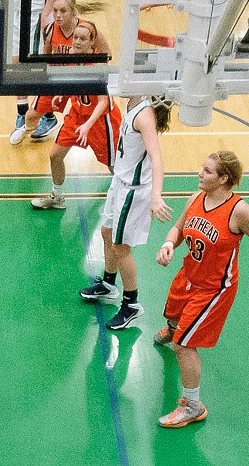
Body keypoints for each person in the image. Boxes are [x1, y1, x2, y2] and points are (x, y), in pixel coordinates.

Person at [153, 150, 249, 428]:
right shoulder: (195, 198)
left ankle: (192, 406)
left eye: (207, 171)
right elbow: (179, 229)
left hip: (213, 289)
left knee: (183, 346)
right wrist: (168, 244)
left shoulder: (239, 211)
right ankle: (174, 326)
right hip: (188, 274)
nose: (200, 174)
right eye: (202, 169)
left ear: (224, 178)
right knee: (173, 312)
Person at [78, 95, 174, 330]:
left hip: (134, 191)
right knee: (106, 232)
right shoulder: (131, 104)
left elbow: (157, 157)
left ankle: (131, 304)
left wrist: (156, 195)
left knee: (121, 248)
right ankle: (109, 285)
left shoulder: (144, 115)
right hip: (119, 183)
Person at [30, 22, 121, 210]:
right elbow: (72, 81)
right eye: (75, 38)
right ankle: (57, 197)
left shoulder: (98, 64)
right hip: (76, 115)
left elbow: (103, 101)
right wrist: (62, 94)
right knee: (55, 156)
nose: (77, 42)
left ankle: (126, 196)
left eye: (82, 39)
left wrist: (88, 125)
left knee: (113, 167)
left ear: (91, 42)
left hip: (101, 121)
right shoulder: (70, 58)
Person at [10, 0, 110, 144]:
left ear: (72, 11)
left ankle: (103, 136)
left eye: (63, 11)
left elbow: (107, 54)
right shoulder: (51, 30)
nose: (58, 15)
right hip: (59, 78)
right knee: (30, 116)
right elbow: (46, 57)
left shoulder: (87, 29)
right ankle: (30, 127)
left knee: (95, 115)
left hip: (82, 80)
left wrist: (92, 71)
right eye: (55, 11)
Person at [10, 0, 63, 138]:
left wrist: (46, 12)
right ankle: (22, 111)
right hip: (19, 10)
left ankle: (48, 115)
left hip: (35, 13)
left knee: (36, 66)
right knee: (16, 62)